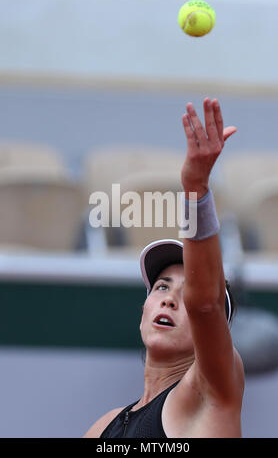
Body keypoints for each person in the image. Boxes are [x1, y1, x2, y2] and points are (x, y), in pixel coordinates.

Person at [84, 98, 245, 438]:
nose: (171, 300)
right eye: (162, 286)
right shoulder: (102, 428)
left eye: (186, 293)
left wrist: (196, 190)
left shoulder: (209, 394)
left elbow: (205, 305)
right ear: (144, 310)